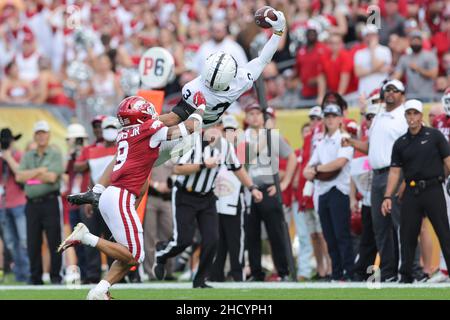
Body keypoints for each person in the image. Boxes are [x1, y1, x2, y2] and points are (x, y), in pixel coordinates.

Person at [67, 9, 287, 205]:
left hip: (188, 135)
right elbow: (262, 59)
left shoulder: (204, 86)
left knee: (138, 157)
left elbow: (174, 119)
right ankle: (107, 196)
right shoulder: (236, 80)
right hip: (189, 130)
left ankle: (117, 205)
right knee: (138, 155)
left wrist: (142, 126)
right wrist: (277, 33)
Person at [58, 93, 207, 299]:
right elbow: (187, 128)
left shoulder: (124, 133)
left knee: (129, 255)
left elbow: (143, 177)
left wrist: (185, 105)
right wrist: (200, 108)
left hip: (116, 196)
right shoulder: (147, 129)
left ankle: (99, 291)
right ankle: (86, 237)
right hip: (120, 196)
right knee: (135, 255)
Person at [153, 123, 263, 288]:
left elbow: (237, 168)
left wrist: (252, 188)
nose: (218, 130)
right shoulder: (191, 141)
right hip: (185, 195)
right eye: (215, 126)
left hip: (208, 197)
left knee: (212, 240)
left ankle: (200, 279)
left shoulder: (225, 146)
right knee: (183, 240)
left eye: (220, 126)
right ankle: (161, 254)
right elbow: (177, 169)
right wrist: (203, 164)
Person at [343, 79, 419, 282]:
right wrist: (351, 142)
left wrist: (406, 179)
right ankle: (388, 272)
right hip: (377, 175)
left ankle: (411, 271)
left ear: (403, 95)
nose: (390, 93)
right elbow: (371, 148)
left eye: (395, 90)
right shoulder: (378, 116)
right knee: (381, 228)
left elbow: (411, 149)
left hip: (395, 173)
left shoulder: (404, 117)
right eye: (387, 90)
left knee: (401, 224)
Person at [381, 99, 450, 283]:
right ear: (405, 116)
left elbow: (448, 161)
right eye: (408, 114)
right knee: (407, 234)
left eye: (415, 113)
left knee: (443, 231)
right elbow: (395, 172)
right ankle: (406, 276)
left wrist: (443, 178)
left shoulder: (435, 136)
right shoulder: (400, 143)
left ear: (421, 115)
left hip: (434, 188)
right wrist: (387, 195)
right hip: (412, 191)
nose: (412, 117)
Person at [244, 101, 297, 281]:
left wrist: (284, 183)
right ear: (246, 117)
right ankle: (256, 272)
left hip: (268, 188)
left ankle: (283, 271)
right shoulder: (241, 137)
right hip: (249, 189)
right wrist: (265, 135)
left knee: (276, 233)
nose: (255, 117)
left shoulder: (273, 136)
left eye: (258, 113)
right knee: (252, 235)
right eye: (251, 114)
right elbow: (246, 158)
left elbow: (291, 157)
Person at [304, 104, 355, 281]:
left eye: (334, 116)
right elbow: (307, 167)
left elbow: (339, 163)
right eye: (328, 116)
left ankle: (349, 271)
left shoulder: (344, 138)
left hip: (339, 189)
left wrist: (315, 170)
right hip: (323, 190)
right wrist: (312, 170)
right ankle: (337, 272)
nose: (331, 119)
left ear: (340, 118)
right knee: (329, 236)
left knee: (342, 234)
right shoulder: (321, 141)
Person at [16, 121, 64, 285]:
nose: (41, 136)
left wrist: (30, 176)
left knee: (54, 240)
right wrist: (39, 171)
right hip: (32, 204)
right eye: (38, 133)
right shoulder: (28, 155)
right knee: (33, 242)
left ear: (49, 135)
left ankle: (55, 276)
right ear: (35, 136)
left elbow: (52, 177)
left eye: (44, 133)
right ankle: (35, 277)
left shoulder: (55, 154)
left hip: (50, 202)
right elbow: (19, 177)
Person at [0, 128, 29, 283]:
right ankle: (19, 275)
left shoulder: (18, 155)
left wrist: (8, 157)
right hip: (3, 206)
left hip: (19, 203)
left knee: (24, 240)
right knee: (11, 243)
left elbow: (20, 174)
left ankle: (29, 274)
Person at [393, 31, 439, 101]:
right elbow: (397, 75)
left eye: (417, 40)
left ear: (421, 42)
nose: (415, 42)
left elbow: (434, 75)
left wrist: (418, 69)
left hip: (427, 95)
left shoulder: (430, 56)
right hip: (410, 96)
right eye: (413, 40)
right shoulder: (404, 58)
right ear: (410, 42)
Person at [354, 24, 392, 96]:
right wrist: (378, 69)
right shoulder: (359, 53)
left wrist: (372, 50)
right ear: (364, 37)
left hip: (381, 90)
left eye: (373, 35)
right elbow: (358, 73)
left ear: (377, 36)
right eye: (367, 35)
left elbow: (376, 65)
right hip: (364, 91)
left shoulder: (385, 50)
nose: (370, 38)